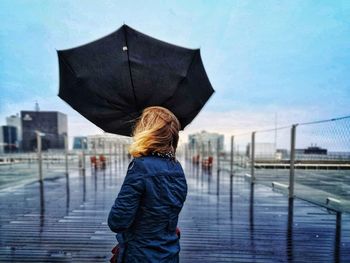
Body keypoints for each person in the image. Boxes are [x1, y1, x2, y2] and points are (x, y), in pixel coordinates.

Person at [108, 106, 188, 263]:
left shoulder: (140, 166)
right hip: (169, 253)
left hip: (140, 255)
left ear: (147, 133)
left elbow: (117, 221)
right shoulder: (177, 167)